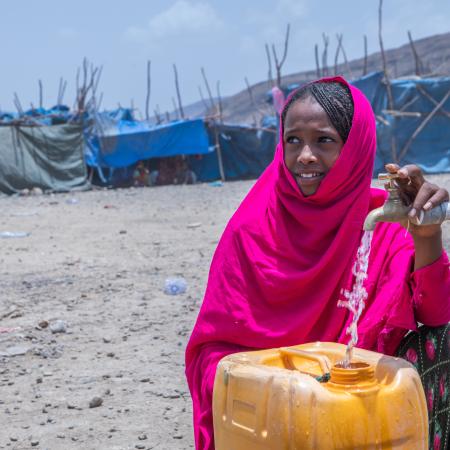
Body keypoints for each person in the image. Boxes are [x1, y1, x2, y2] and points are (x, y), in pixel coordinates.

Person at [185, 77, 450, 450]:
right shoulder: (253, 228)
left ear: (355, 146)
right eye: (293, 140)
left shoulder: (382, 224)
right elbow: (212, 352)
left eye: (324, 140)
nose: (305, 155)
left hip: (355, 399)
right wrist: (283, 390)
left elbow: (436, 317)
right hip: (269, 402)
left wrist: (426, 235)